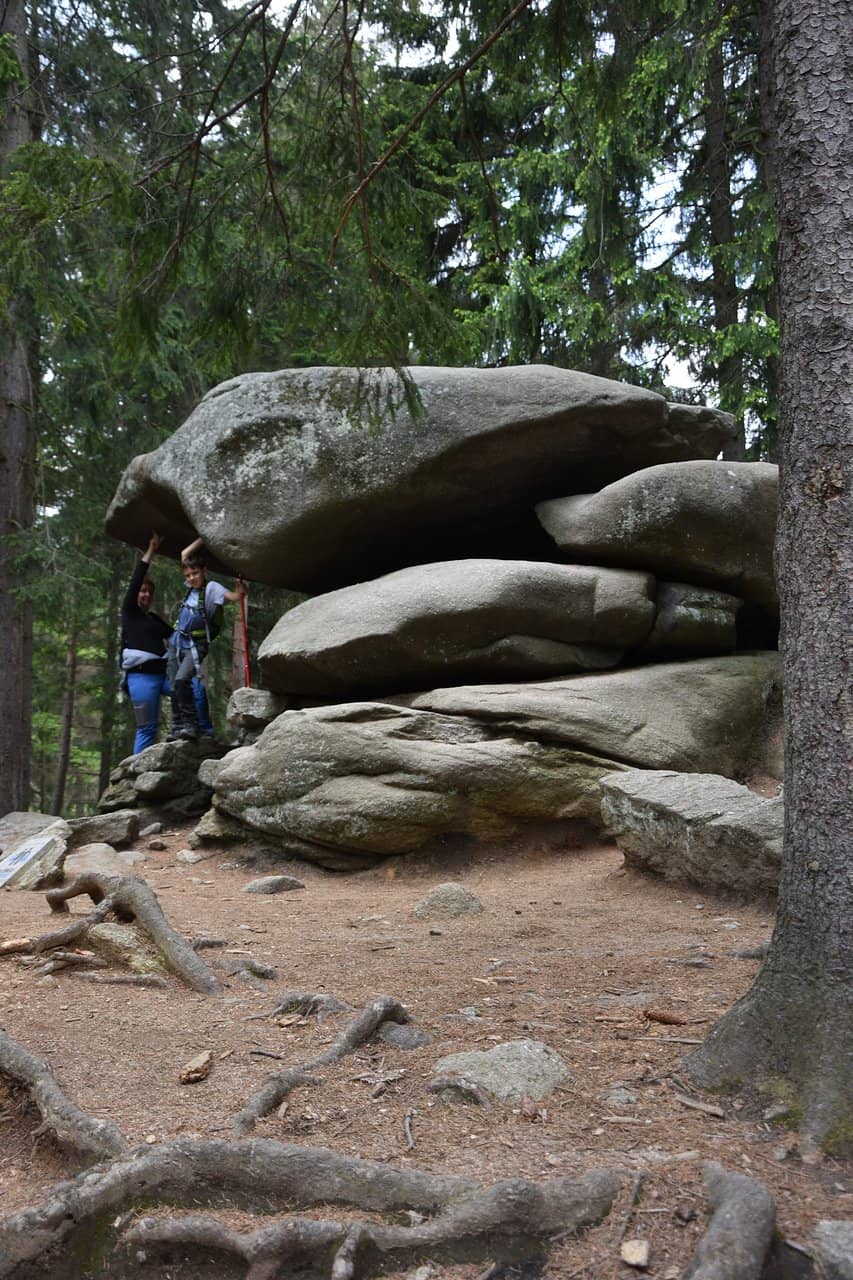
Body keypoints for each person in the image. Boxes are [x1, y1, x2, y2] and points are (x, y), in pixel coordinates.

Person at [168, 536, 244, 741]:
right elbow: (185, 554)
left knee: (183, 679)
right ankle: (177, 727)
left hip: (196, 645)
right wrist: (203, 538)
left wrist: (239, 591)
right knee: (174, 684)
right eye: (188, 574)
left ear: (204, 571)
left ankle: (192, 726)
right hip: (177, 642)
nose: (191, 578)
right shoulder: (190, 586)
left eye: (195, 573)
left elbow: (232, 597)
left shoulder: (211, 589)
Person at [120, 533, 173, 753]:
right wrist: (150, 550)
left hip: (162, 676)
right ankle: (136, 779)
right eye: (142, 591)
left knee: (193, 689)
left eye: (149, 592)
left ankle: (197, 732)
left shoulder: (154, 620)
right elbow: (135, 581)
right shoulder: (129, 612)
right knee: (147, 728)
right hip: (140, 679)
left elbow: (178, 637)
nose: (146, 595)